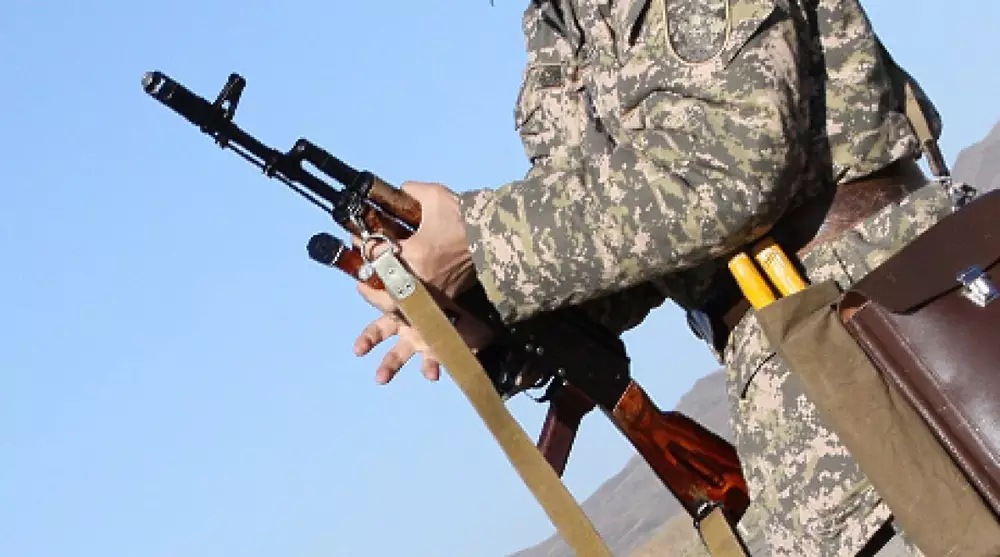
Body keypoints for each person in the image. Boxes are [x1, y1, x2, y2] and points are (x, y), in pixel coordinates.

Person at [350, 1, 955, 555]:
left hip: (889, 332)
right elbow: (629, 239)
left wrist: (482, 239)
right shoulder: (556, 21)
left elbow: (730, 172)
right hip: (792, 370)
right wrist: (475, 313)